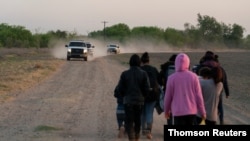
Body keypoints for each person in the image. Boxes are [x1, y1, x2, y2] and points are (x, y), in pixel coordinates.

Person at [164, 53, 206, 125]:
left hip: (178, 112)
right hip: (191, 111)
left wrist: (166, 111)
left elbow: (168, 97)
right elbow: (199, 96)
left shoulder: (171, 78)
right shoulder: (194, 77)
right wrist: (203, 112)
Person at [116, 54, 150, 141]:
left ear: (130, 62)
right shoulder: (144, 74)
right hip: (140, 101)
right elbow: (147, 89)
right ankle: (137, 137)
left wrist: (125, 96)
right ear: (139, 63)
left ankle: (131, 138)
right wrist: (143, 96)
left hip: (128, 101)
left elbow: (120, 89)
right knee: (138, 120)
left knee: (129, 121)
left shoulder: (124, 74)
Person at [196, 51, 230, 125]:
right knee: (219, 105)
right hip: (218, 89)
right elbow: (224, 80)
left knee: (202, 104)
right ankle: (221, 120)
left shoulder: (200, 66)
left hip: (203, 88)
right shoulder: (220, 68)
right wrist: (227, 92)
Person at [140, 52, 160, 139]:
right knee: (149, 112)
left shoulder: (139, 69)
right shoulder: (154, 69)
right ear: (149, 60)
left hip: (141, 95)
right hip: (153, 94)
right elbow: (159, 81)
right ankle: (149, 131)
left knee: (142, 113)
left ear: (141, 61)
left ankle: (144, 130)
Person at [159, 54, 177, 125]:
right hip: (178, 92)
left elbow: (159, 79)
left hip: (167, 90)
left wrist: (163, 85)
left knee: (169, 110)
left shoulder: (166, 67)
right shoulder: (181, 68)